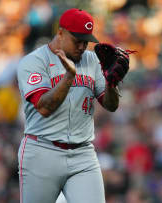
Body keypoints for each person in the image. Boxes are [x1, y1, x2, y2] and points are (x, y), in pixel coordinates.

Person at [16, 8, 123, 203]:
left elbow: (110, 105)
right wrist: (68, 77)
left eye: (86, 41)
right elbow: (44, 108)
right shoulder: (33, 62)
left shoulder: (92, 60)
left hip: (82, 153)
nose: (82, 46)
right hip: (42, 151)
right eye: (77, 40)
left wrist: (111, 83)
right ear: (61, 33)